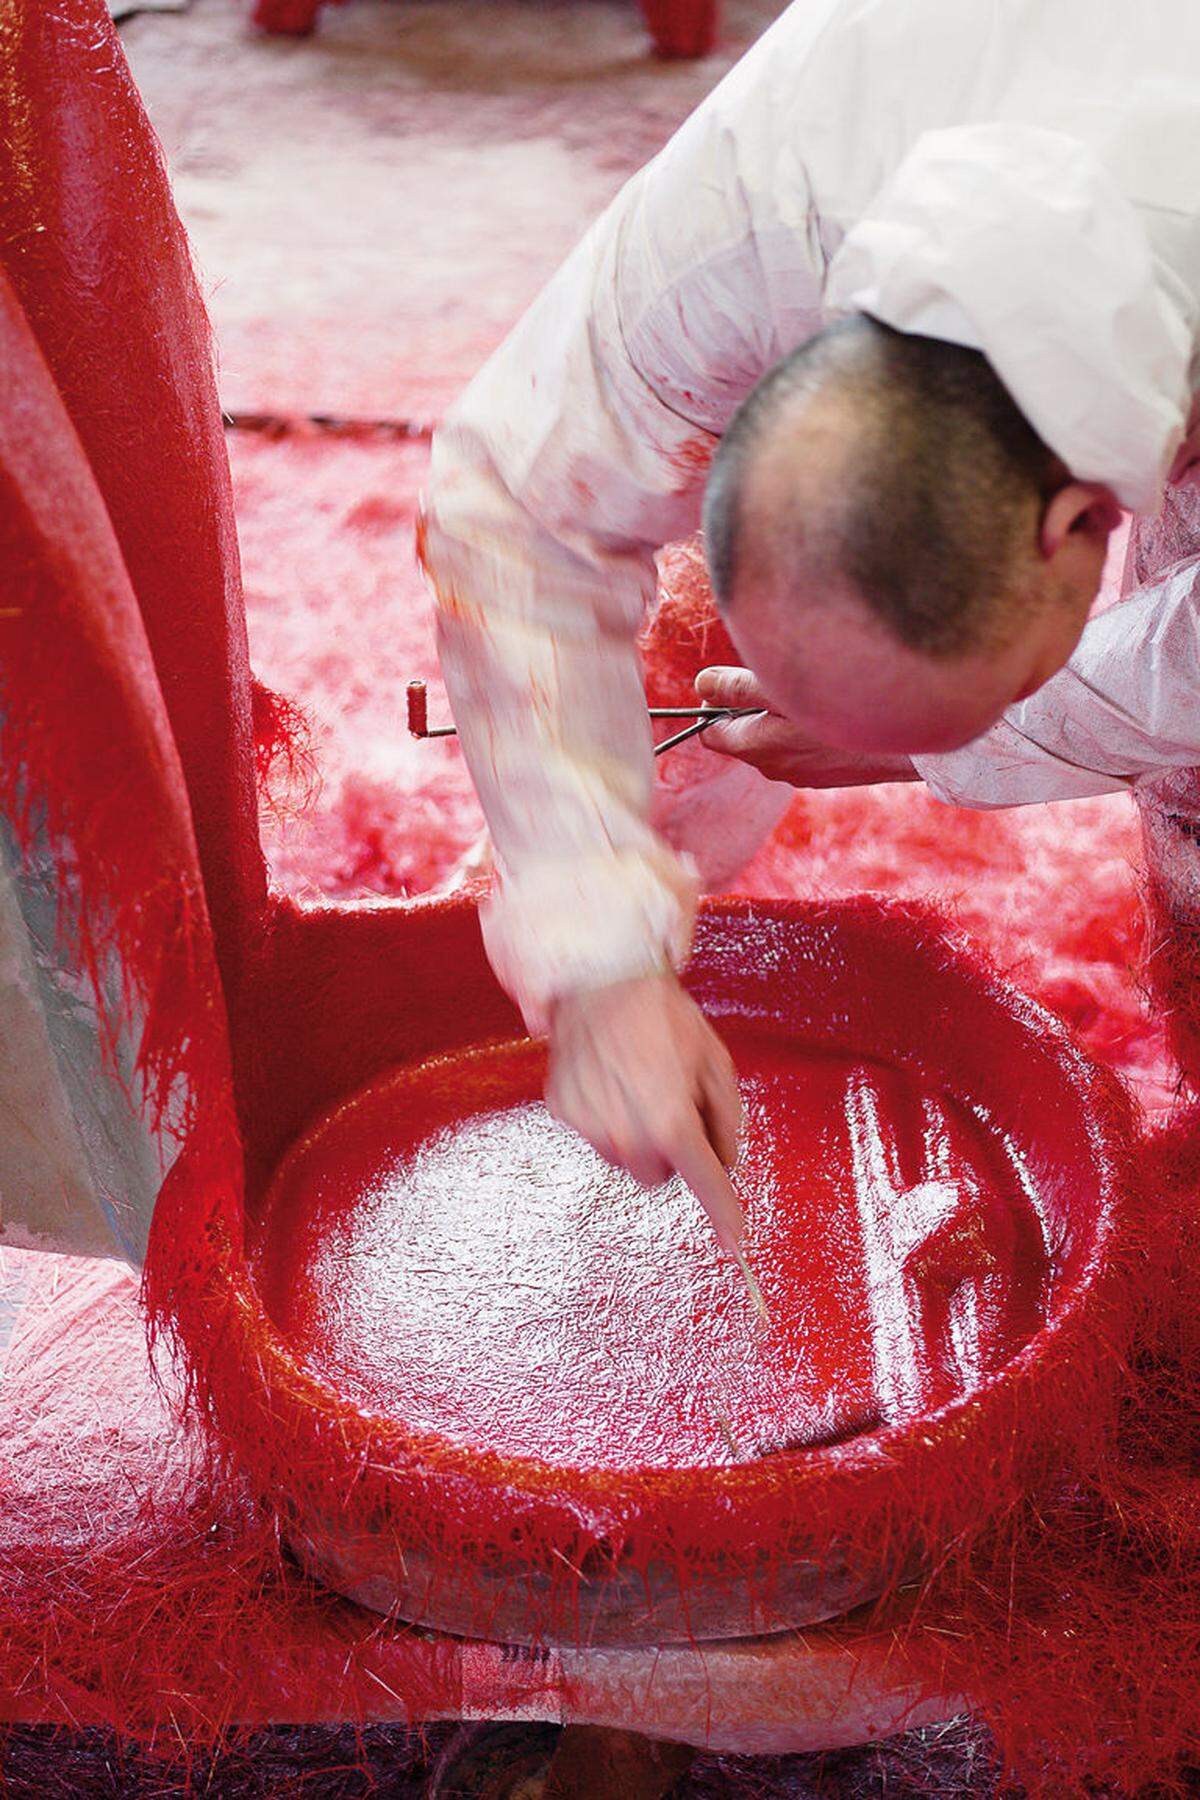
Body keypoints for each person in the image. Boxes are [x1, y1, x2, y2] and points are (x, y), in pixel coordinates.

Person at [420, 0, 1200, 1259]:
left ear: (1081, 523)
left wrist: (928, 746)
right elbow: (517, 500)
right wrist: (595, 953)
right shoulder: (762, 210)